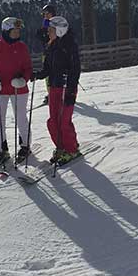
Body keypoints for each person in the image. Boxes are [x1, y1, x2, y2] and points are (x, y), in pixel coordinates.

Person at [0, 16, 34, 169]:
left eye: (18, 31)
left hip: (19, 88)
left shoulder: (22, 47)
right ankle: (1, 150)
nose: (17, 33)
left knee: (21, 118)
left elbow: (28, 68)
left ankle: (25, 145)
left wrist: (24, 79)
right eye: (14, 31)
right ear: (6, 31)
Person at [40, 11, 82, 164]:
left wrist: (71, 91)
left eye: (50, 30)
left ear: (59, 31)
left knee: (64, 121)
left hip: (66, 87)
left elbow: (75, 69)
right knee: (53, 121)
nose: (48, 33)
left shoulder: (69, 46)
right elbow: (47, 68)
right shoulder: (51, 46)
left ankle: (72, 149)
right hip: (54, 87)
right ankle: (61, 147)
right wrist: (37, 74)